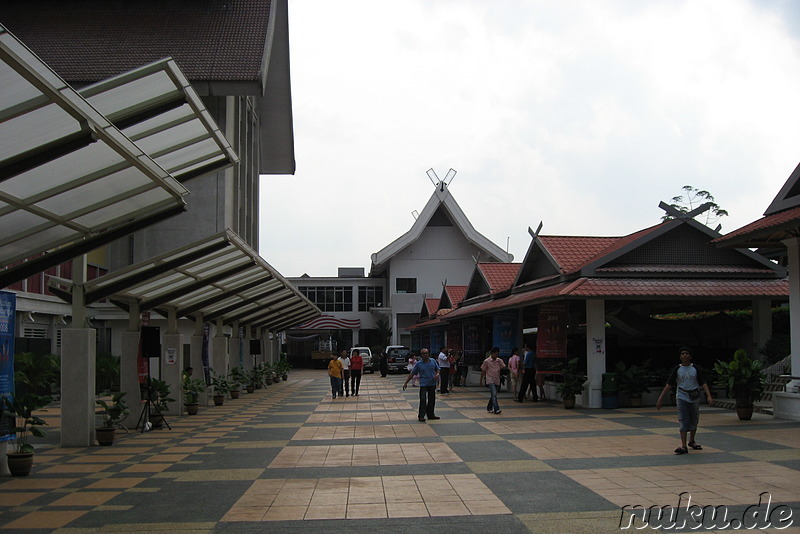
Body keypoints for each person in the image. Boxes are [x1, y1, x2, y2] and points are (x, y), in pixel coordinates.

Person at [656, 346, 713, 455]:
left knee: (694, 418)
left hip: (694, 396)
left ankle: (691, 440)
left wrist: (709, 395)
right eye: (683, 354)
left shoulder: (695, 369)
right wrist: (661, 398)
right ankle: (683, 445)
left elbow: (703, 382)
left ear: (690, 356)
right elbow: (669, 384)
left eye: (687, 353)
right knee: (683, 419)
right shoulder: (677, 369)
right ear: (680, 356)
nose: (685, 355)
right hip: (682, 396)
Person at [403, 348, 440, 422]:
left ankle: (431, 414)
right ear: (421, 355)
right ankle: (421, 415)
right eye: (423, 353)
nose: (425, 355)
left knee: (431, 400)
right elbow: (412, 373)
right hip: (423, 384)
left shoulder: (433, 361)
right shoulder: (419, 364)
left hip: (432, 383)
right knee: (423, 400)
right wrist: (406, 382)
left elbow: (438, 368)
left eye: (426, 353)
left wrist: (437, 374)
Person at [480, 347, 506, 414]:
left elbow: (503, 366)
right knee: (494, 394)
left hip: (497, 379)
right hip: (490, 379)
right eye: (495, 354)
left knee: (493, 395)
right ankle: (496, 409)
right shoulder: (487, 361)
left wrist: (499, 368)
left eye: (497, 354)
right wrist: (481, 380)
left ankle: (489, 407)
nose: (496, 356)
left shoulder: (499, 360)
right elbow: (483, 370)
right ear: (492, 353)